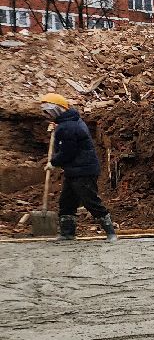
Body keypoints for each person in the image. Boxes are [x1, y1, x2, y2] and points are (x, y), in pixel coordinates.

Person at [40, 93, 116, 242]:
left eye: (48, 112)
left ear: (56, 110)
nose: (47, 115)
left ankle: (110, 231)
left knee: (90, 200)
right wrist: (57, 127)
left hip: (83, 171)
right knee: (67, 201)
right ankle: (67, 233)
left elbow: (68, 152)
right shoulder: (69, 122)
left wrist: (53, 163)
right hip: (75, 170)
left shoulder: (68, 127)